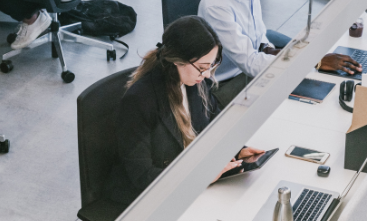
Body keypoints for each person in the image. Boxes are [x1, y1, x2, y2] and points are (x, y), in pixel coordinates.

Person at [105, 16, 264, 210]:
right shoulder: (140, 100)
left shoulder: (193, 80)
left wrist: (237, 150)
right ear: (177, 60)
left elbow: (215, 119)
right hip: (146, 198)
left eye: (211, 66)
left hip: (187, 177)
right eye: (203, 68)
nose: (207, 74)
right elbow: (142, 176)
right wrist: (199, 178)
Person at [198, 0, 362, 108]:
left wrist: (271, 50)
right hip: (226, 82)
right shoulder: (218, 6)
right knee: (297, 80)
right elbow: (251, 64)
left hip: (251, 55)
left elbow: (258, 33)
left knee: (301, 50)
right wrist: (312, 60)